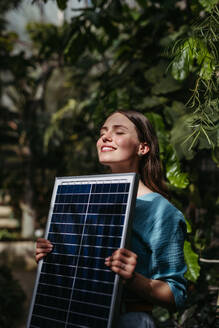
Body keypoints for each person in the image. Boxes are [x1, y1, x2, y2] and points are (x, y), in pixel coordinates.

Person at [36, 110, 187, 328]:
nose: (105, 137)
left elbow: (177, 295)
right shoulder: (83, 200)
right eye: (103, 132)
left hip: (129, 320)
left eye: (119, 132)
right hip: (74, 318)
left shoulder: (161, 212)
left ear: (142, 147)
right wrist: (51, 259)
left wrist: (131, 278)